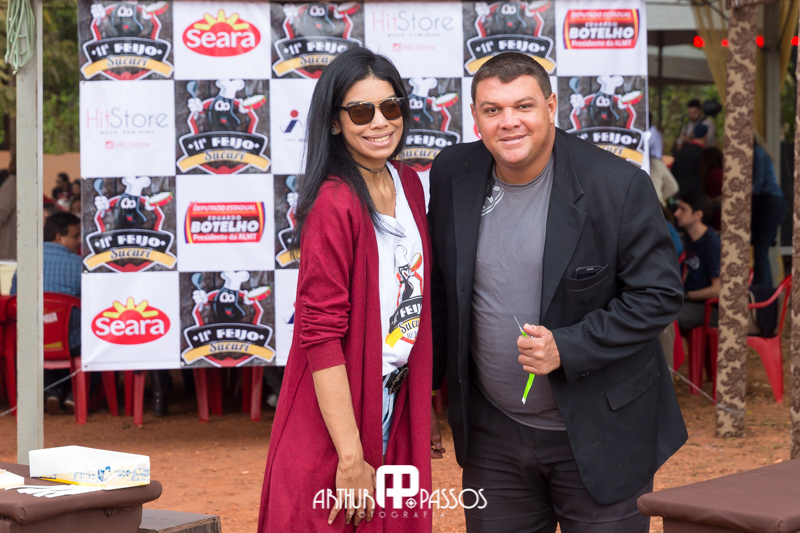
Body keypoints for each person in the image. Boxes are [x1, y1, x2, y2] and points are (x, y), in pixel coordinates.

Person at [428, 52, 686, 532]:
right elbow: (442, 290)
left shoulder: (617, 185)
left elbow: (658, 295)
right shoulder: (451, 173)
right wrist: (425, 390)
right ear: (475, 116)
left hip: (603, 432)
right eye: (493, 110)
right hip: (493, 435)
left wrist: (567, 346)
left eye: (523, 106)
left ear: (550, 107)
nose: (509, 122)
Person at [258, 48, 436, 533]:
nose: (380, 122)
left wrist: (420, 408)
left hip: (395, 399)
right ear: (335, 122)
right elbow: (320, 333)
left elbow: (412, 304)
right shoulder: (334, 201)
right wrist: (351, 455)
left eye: (391, 106)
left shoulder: (408, 183)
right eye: (361, 111)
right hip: (337, 412)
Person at [10, 212, 82, 414]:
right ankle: (74, 394)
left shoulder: (26, 262)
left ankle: (53, 390)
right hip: (71, 343)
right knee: (95, 342)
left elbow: (15, 299)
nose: (79, 241)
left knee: (44, 341)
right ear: (59, 237)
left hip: (33, 342)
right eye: (75, 235)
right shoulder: (80, 265)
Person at [674, 192, 720, 334]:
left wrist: (686, 295)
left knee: (667, 319)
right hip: (690, 302)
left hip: (709, 308)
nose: (676, 213)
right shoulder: (689, 239)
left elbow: (718, 289)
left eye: (683, 209)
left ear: (698, 215)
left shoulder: (711, 243)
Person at [751, 137, 786, 288]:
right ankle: (765, 290)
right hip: (769, 203)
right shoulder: (759, 152)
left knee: (760, 252)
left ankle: (762, 291)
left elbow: (756, 185)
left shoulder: (757, 153)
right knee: (761, 252)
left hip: (768, 203)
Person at [671, 123, 708, 195]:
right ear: (706, 136)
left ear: (693, 135)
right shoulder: (704, 153)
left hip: (680, 191)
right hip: (697, 192)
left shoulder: (682, 151)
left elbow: (674, 171)